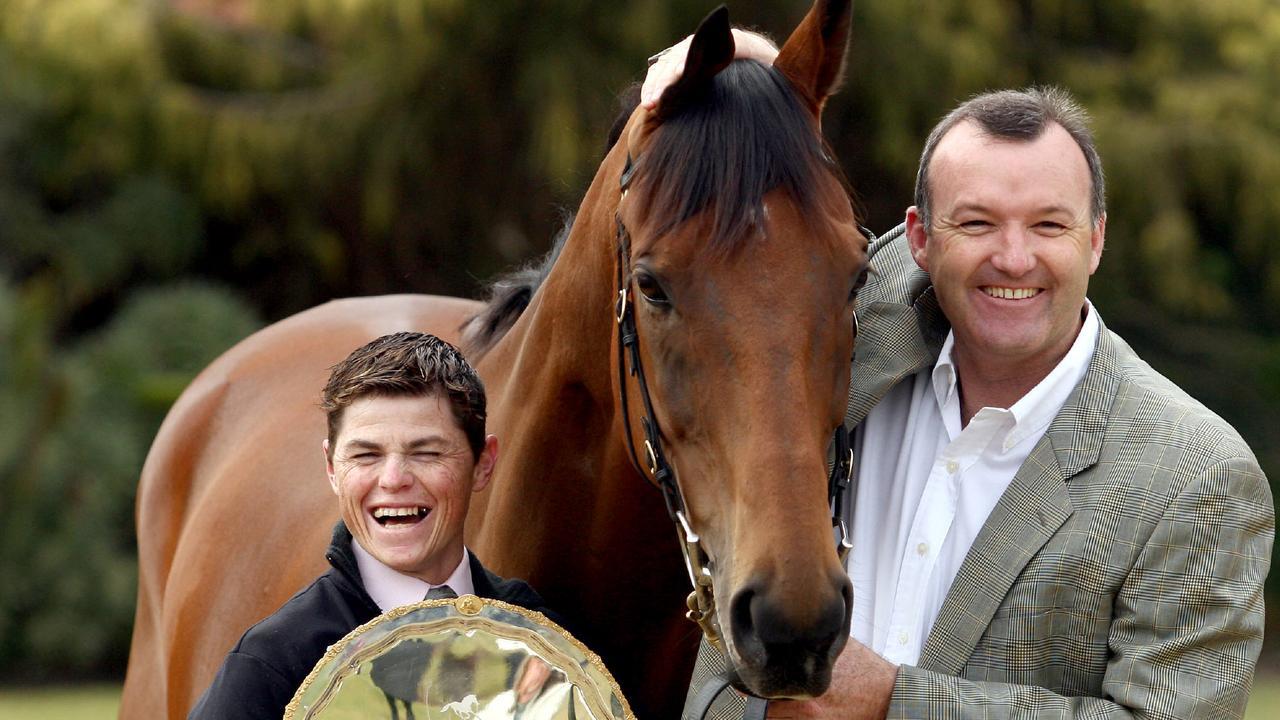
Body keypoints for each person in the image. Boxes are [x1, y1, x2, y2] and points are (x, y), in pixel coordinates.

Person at [646, 34, 1274, 720]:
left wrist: (894, 701)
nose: (1013, 257)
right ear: (918, 239)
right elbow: (737, 233)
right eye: (975, 223)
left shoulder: (1194, 476)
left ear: (1095, 239)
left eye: (1048, 225)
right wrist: (731, 69)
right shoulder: (845, 326)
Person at [189, 331, 554, 719]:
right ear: (332, 468)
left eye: (426, 452)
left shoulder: (546, 642)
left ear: (483, 463)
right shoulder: (274, 666)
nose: (393, 479)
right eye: (366, 455)